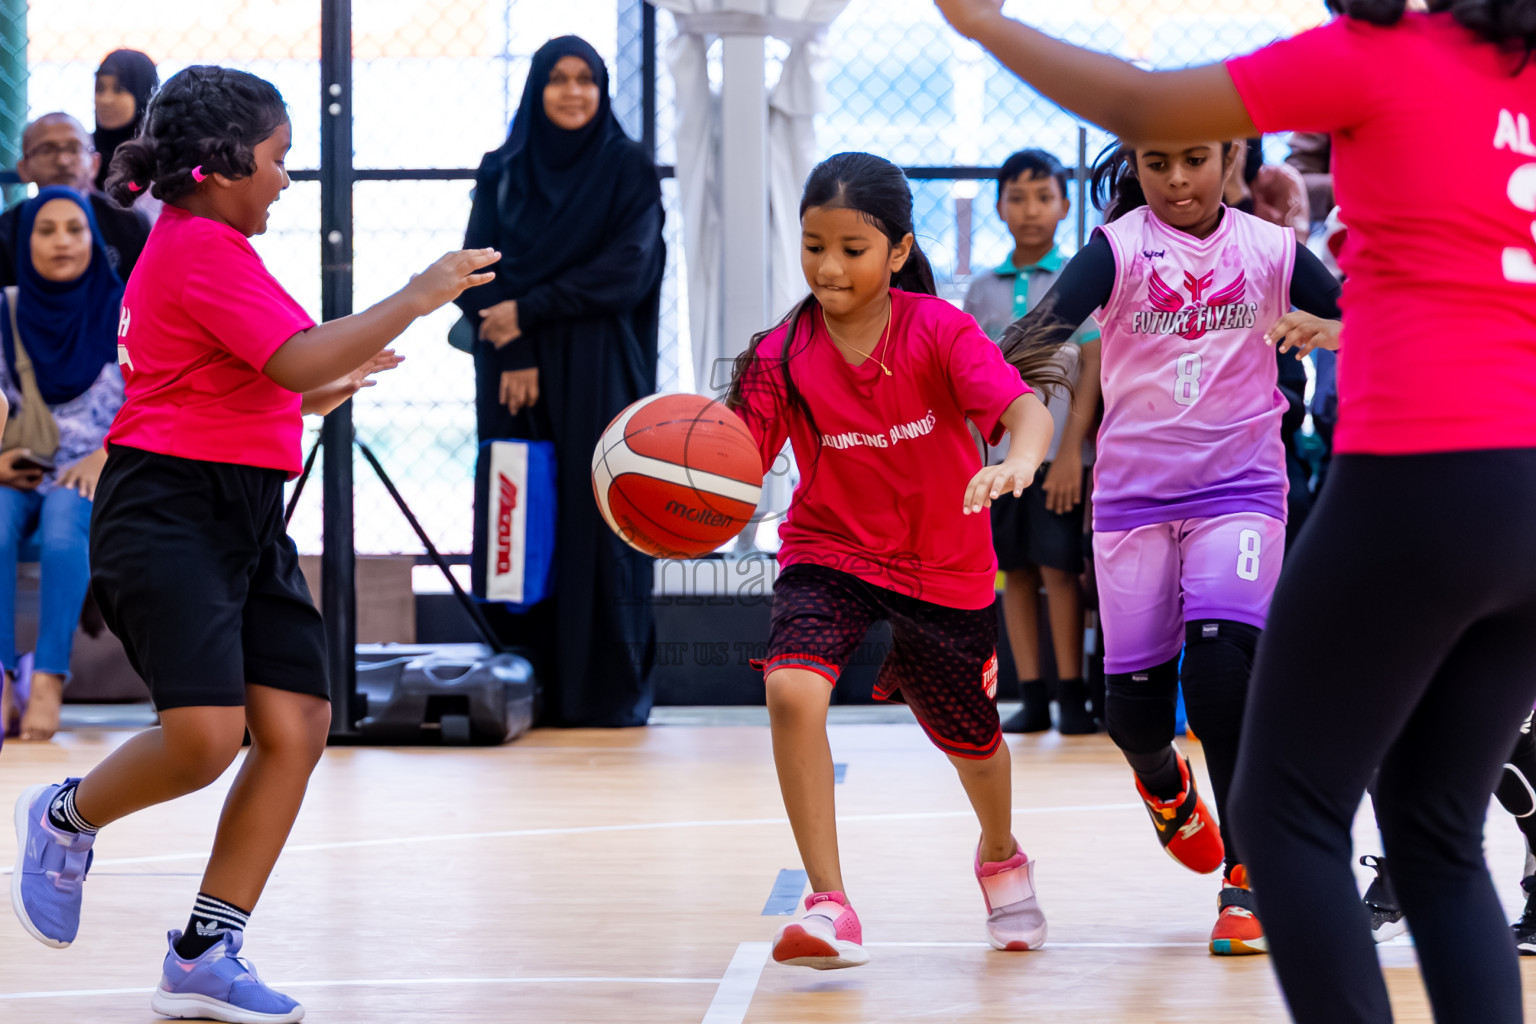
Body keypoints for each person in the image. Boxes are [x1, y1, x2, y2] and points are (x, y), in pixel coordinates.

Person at [933, 0, 1536, 1019]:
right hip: (1525, 500)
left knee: (1286, 807)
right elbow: (1051, 330)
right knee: (1435, 824)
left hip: (1420, 477)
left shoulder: (1377, 55)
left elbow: (1139, 100)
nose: (1177, 171)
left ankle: (1239, 882)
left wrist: (985, 25)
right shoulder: (1519, 64)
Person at [9, 65, 496, 1024]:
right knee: (204, 740)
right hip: (167, 515)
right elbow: (294, 354)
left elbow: (250, 378)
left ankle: (204, 950)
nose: (285, 179)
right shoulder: (199, 248)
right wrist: (417, 292)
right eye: (278, 160)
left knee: (297, 726)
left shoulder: (210, 245)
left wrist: (318, 390)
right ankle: (66, 816)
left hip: (238, 513)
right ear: (223, 165)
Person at [1004, 134, 1342, 956]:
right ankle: (1166, 791)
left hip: (1241, 490)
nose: (1178, 179)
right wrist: (989, 381)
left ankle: (1248, 875)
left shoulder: (1271, 248)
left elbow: (1358, 316)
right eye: (1158, 164)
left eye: (1195, 159)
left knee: (1225, 675)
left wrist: (1328, 329)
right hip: (1133, 502)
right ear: (1138, 169)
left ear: (1229, 156)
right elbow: (1034, 336)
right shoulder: (1116, 251)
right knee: (1135, 716)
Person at [728, 151, 1062, 968]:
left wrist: (1020, 457)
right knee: (792, 688)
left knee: (972, 743)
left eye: (851, 247)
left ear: (899, 252)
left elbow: (1024, 412)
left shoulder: (938, 331)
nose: (829, 266)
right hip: (829, 549)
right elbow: (732, 464)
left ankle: (999, 854)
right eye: (814, 246)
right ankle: (831, 903)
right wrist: (681, 493)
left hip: (944, 562)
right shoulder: (781, 355)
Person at [456, 36, 666, 728]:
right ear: (537, 88)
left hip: (599, 370)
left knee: (597, 517)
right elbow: (475, 269)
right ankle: (521, 685)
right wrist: (513, 343)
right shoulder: (504, 168)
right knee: (518, 511)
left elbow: (628, 269)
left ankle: (602, 692)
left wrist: (532, 309)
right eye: (558, 79)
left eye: (586, 80)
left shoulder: (627, 169)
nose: (573, 92)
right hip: (511, 371)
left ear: (602, 91)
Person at [962, 148, 1101, 735]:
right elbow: (970, 373)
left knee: (1058, 568)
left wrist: (1072, 449)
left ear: (1065, 205)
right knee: (1013, 572)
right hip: (1001, 461)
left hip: (1057, 459)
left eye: (1043, 197)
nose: (1031, 210)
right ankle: (1034, 694)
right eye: (1017, 198)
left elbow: (1092, 363)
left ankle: (1072, 696)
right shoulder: (983, 290)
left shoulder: (1077, 280)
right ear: (998, 207)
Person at [0, 188, 126, 744]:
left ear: (93, 239)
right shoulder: (5, 309)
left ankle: (49, 677)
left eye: (74, 229)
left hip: (93, 466)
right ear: (25, 242)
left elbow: (153, 394)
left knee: (60, 530)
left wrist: (107, 454)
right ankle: (4, 677)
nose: (60, 242)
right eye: (44, 229)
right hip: (18, 466)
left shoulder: (123, 306)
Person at [0, 113, 151, 287]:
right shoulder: (4, 233)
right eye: (46, 150)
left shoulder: (130, 225)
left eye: (74, 148)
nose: (62, 161)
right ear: (23, 168)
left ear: (95, 164)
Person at [92, 49, 158, 195]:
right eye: (100, 89)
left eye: (119, 90)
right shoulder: (84, 154)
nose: (105, 100)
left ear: (143, 95)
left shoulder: (163, 158)